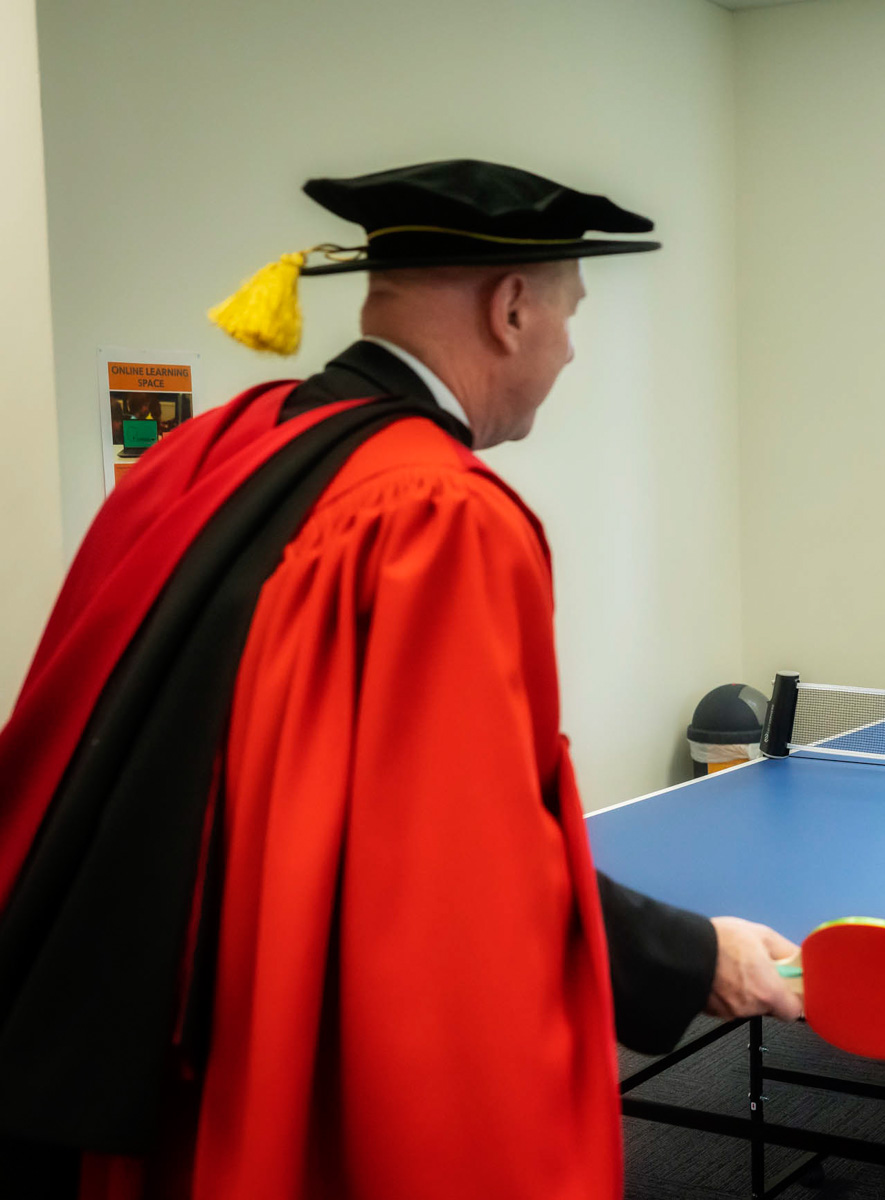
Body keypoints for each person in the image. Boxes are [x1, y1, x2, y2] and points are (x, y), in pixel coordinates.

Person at [0, 160, 800, 1200]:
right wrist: (693, 957)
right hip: (285, 1048)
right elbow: (468, 867)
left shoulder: (210, 452)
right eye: (570, 315)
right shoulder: (438, 514)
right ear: (511, 309)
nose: (569, 349)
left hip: (139, 1021)